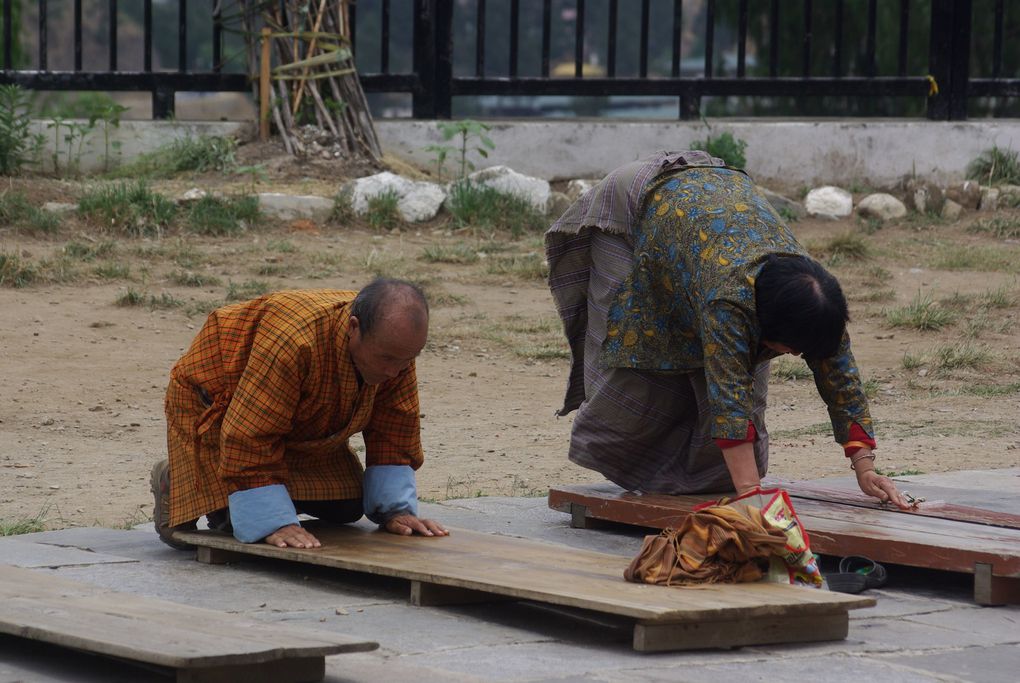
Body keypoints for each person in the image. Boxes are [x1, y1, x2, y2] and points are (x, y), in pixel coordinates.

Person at [546, 151, 909, 509]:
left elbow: (841, 380)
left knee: (736, 416)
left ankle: (690, 480)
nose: (796, 356)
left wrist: (864, 468)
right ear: (760, 322)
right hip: (637, 204)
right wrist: (752, 497)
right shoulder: (730, 301)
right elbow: (731, 399)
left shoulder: (815, 302)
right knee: (635, 351)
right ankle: (624, 455)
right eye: (792, 349)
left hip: (709, 216)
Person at [151, 279, 449, 550]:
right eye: (386, 359)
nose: (393, 371)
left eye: (407, 360)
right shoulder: (294, 341)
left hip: (292, 426)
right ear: (354, 328)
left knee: (347, 506)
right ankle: (178, 482)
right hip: (216, 405)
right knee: (229, 527)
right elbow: (248, 434)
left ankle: (232, 505)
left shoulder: (395, 351)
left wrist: (396, 510)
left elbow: (395, 427)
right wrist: (273, 521)